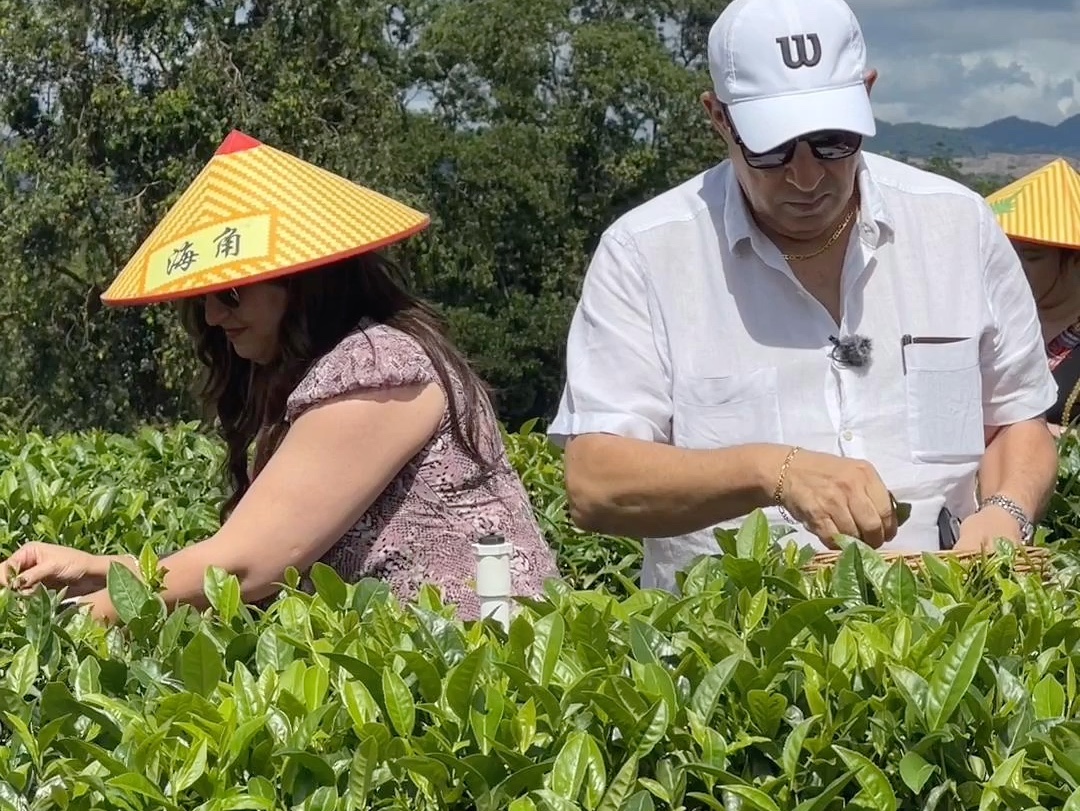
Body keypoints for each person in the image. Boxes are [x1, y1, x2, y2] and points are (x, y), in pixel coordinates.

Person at [547, 0, 1059, 592]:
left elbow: (1018, 421)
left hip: (947, 620)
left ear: (867, 95)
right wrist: (770, 471)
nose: (807, 176)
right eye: (773, 149)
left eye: (832, 141)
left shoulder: (958, 226)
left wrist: (1006, 512)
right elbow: (595, 484)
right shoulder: (646, 253)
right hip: (733, 649)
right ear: (719, 119)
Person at [0, 130, 559, 621]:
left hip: (477, 678)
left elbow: (250, 564)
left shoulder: (378, 366)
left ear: (303, 282)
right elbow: (245, 554)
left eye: (230, 292)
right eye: (203, 302)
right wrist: (99, 571)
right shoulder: (340, 368)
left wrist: (78, 618)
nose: (215, 317)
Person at [985, 158, 1080, 433]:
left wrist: (1033, 435)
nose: (1013, 267)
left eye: (1031, 257)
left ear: (1075, 260)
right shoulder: (994, 325)